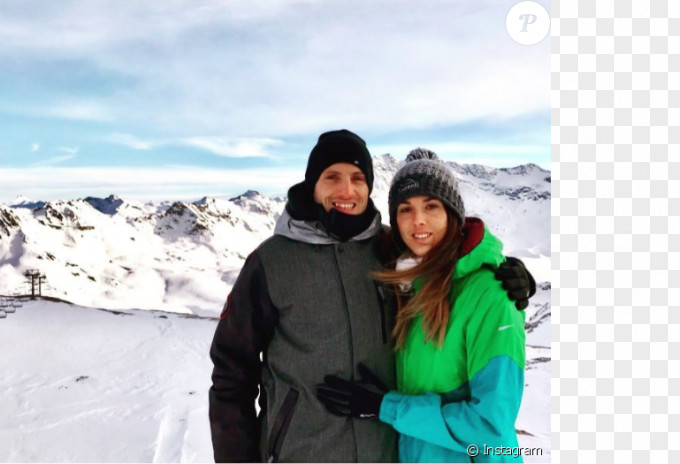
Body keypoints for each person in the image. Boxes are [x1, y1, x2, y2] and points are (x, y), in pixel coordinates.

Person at [209, 131, 534, 463]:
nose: (346, 190)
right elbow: (232, 372)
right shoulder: (273, 262)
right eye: (332, 177)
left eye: (358, 178)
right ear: (313, 185)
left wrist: (506, 271)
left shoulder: (389, 251)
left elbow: (455, 258)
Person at [316, 149, 527, 462]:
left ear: (453, 214)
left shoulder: (490, 294)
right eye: (405, 209)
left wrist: (385, 407)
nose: (418, 221)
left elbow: (490, 427)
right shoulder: (409, 282)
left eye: (431, 206)